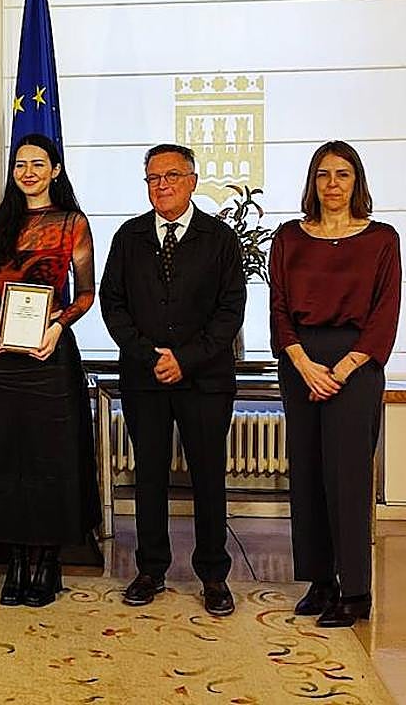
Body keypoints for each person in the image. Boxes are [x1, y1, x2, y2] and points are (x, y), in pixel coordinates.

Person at [99, 143, 246, 617]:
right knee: (150, 477)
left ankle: (214, 576)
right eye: (153, 179)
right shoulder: (129, 236)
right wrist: (149, 356)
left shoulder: (220, 239)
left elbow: (230, 313)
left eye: (171, 177)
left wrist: (185, 359)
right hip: (144, 379)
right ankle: (151, 569)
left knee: (208, 477)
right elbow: (113, 304)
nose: (161, 186)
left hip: (205, 380)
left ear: (192, 181)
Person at [270, 140, 401, 628]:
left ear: (357, 182)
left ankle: (356, 589)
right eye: (323, 175)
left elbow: (385, 315)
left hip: (356, 364)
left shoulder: (382, 240)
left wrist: (343, 370)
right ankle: (319, 581)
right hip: (301, 360)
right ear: (312, 182)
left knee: (345, 478)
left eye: (342, 175)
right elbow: (279, 309)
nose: (332, 184)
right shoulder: (289, 237)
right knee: (306, 473)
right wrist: (304, 363)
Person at [0, 132, 101, 608]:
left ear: (55, 170)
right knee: (9, 459)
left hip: (49, 355)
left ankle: (46, 562)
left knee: (51, 461)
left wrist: (57, 327)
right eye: (21, 164)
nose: (28, 172)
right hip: (5, 357)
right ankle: (17, 561)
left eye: (38, 164)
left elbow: (85, 293)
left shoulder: (72, 223)